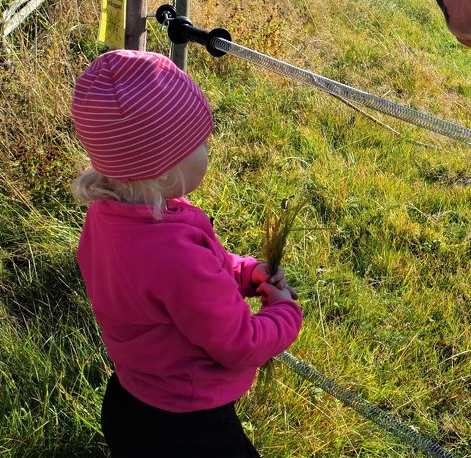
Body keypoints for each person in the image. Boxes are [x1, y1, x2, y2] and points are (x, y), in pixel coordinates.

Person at [72, 50, 302, 458]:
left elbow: (186, 283)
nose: (208, 150)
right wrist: (283, 312)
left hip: (129, 398)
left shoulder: (107, 218)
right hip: (188, 424)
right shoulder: (173, 252)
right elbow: (239, 343)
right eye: (201, 142)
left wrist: (244, 272)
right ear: (163, 167)